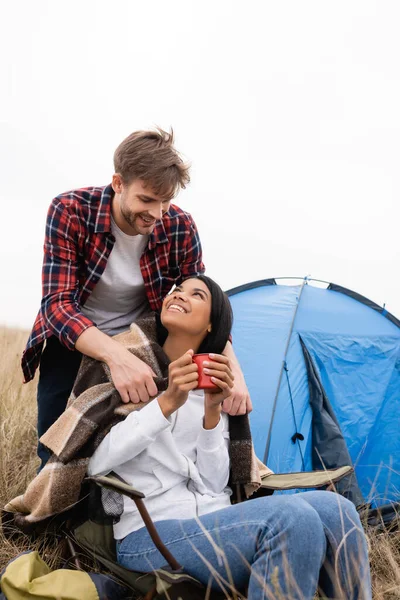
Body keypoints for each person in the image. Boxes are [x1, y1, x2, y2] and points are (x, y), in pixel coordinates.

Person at [88, 275, 372, 600]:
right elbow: (97, 463)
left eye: (197, 295)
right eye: (177, 290)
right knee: (293, 519)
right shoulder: (130, 372)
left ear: (212, 325)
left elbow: (212, 485)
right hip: (149, 535)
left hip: (215, 522)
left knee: (339, 510)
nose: (180, 295)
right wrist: (166, 403)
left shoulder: (213, 387)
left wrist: (211, 412)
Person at [21, 128, 251, 469]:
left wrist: (234, 368)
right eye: (146, 200)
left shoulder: (180, 226)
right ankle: (52, 520)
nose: (157, 213)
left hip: (142, 342)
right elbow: (57, 304)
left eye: (166, 201)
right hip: (72, 342)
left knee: (134, 448)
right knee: (58, 450)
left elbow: (205, 304)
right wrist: (116, 358)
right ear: (118, 183)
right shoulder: (70, 210)